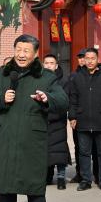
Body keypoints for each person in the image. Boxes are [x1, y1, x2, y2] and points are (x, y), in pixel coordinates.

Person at [0, 34, 68, 202]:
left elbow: (63, 101)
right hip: (6, 140)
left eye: (26, 51)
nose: (21, 54)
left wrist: (46, 99)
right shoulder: (2, 74)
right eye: (18, 49)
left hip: (33, 141)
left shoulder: (47, 77)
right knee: (6, 190)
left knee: (35, 191)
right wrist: (2, 97)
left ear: (35, 54)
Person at [68, 48, 101, 192]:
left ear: (98, 59)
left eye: (92, 58)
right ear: (83, 60)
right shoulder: (76, 77)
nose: (89, 61)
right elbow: (73, 98)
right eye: (87, 58)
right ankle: (85, 180)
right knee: (83, 153)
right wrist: (72, 116)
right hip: (82, 121)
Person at [42, 55, 71, 190]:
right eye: (46, 63)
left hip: (58, 119)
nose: (48, 65)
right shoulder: (39, 79)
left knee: (60, 149)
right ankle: (47, 175)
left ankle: (61, 177)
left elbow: (64, 101)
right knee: (45, 149)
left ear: (56, 65)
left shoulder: (63, 81)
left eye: (51, 63)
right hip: (43, 119)